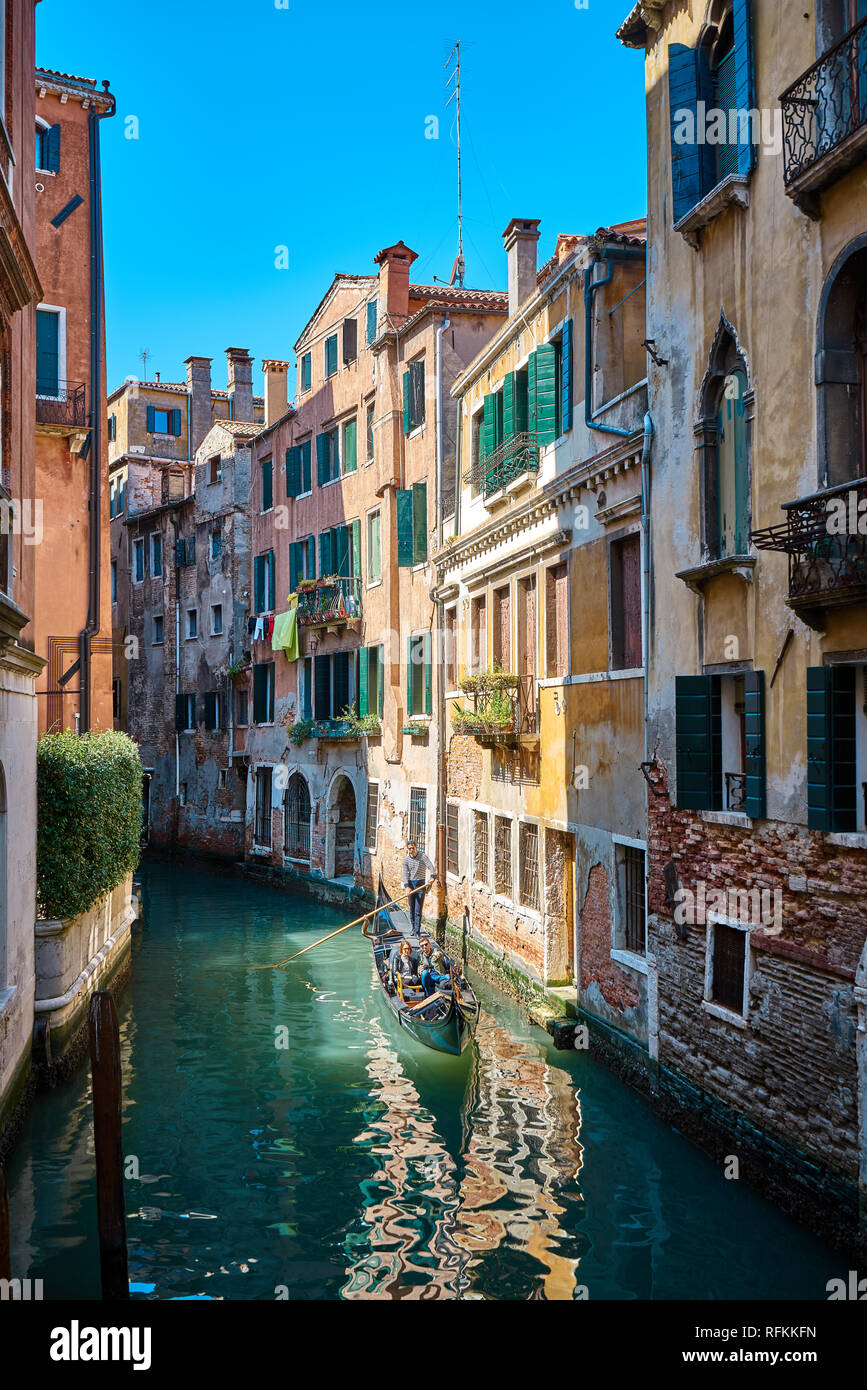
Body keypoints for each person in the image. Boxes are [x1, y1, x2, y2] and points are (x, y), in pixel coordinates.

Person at [402, 841, 437, 935]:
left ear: (416, 847)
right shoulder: (406, 861)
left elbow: (431, 867)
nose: (412, 850)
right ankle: (413, 928)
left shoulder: (422, 857)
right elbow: (405, 874)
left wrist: (432, 877)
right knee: (412, 908)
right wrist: (407, 887)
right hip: (410, 885)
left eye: (413, 848)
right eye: (410, 848)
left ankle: (417, 931)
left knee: (418, 910)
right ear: (408, 849)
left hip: (421, 885)